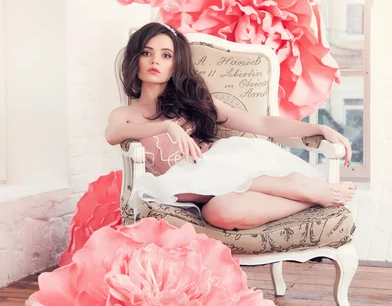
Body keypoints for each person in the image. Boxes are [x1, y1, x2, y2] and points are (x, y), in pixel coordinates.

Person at [105, 22, 356, 230]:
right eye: (146, 53)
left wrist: (318, 129)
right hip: (192, 190)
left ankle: (301, 186)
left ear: (175, 66)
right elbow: (114, 134)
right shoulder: (125, 114)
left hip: (219, 166)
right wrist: (166, 127)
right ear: (135, 59)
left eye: (166, 55)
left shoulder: (194, 102)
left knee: (220, 205)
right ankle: (311, 200)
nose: (154, 61)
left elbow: (261, 122)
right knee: (220, 213)